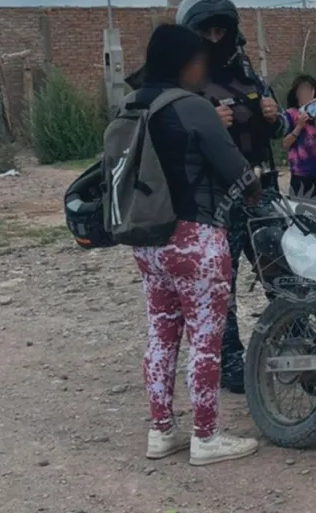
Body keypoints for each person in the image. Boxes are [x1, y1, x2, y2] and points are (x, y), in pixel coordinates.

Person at [131, 23, 260, 465]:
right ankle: (206, 437)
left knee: (160, 336)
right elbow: (236, 169)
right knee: (205, 342)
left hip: (148, 240)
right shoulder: (192, 106)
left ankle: (161, 431)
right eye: (199, 60)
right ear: (185, 63)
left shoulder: (133, 104)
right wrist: (255, 189)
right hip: (195, 239)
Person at [175, 0, 292, 394]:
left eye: (219, 30)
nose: (214, 38)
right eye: (205, 32)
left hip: (261, 192)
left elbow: (281, 128)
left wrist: (275, 118)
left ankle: (298, 342)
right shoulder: (183, 81)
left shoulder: (245, 71)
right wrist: (205, 124)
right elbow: (169, 140)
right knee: (221, 283)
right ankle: (229, 362)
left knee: (283, 271)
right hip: (216, 200)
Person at [282, 74, 316, 202]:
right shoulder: (290, 114)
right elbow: (285, 144)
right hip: (299, 171)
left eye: (309, 89)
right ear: (296, 93)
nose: (305, 93)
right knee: (299, 208)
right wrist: (299, 126)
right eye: (302, 89)